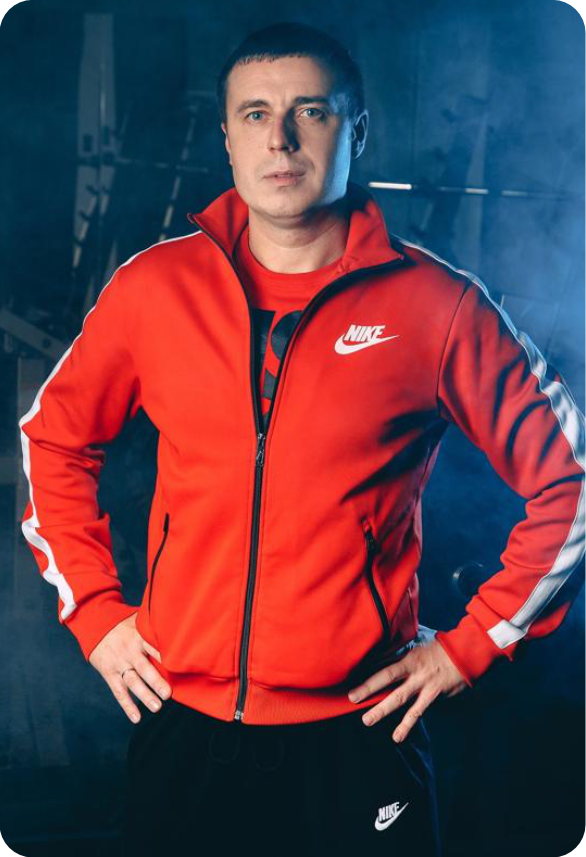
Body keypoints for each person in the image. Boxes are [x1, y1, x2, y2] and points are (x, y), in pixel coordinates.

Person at [18, 20, 586, 857]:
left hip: (360, 735)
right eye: (255, 114)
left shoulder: (438, 306)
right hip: (185, 726)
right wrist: (98, 613)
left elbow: (571, 481)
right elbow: (53, 438)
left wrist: (471, 647)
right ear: (227, 137)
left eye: (310, 111)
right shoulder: (154, 287)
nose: (279, 138)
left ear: (357, 130)